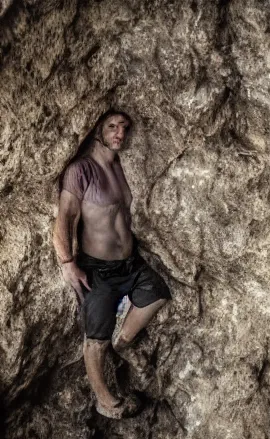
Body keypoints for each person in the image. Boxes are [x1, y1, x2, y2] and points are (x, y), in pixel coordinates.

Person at [52, 109, 172, 419]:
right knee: (96, 340)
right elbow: (65, 217)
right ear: (97, 129)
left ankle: (125, 341)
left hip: (129, 264)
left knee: (157, 292)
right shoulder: (81, 170)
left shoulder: (118, 167)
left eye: (124, 127)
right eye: (112, 126)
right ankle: (107, 401)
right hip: (97, 270)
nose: (120, 132)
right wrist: (67, 262)